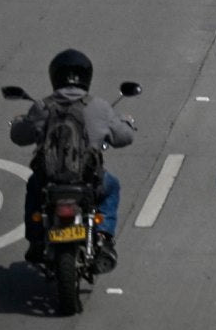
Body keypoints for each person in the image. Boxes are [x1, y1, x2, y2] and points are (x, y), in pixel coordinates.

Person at [10, 50, 136, 270]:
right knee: (112, 186)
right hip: (87, 181)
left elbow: (19, 137)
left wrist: (22, 121)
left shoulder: (42, 106)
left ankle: (36, 239)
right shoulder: (99, 107)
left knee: (33, 186)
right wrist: (125, 121)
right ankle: (104, 236)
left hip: (49, 182)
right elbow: (124, 137)